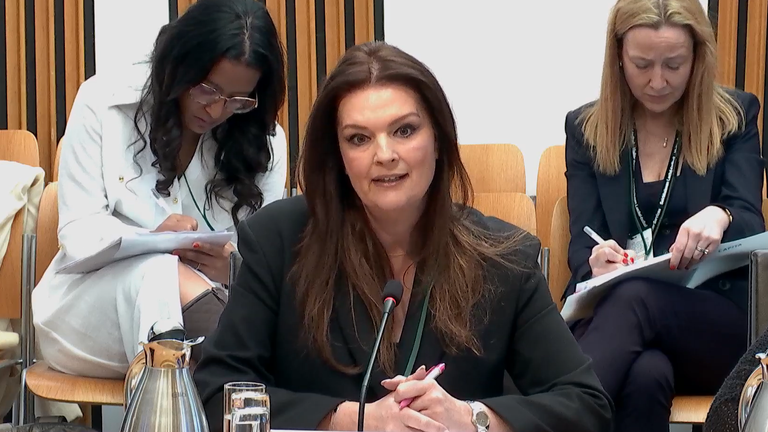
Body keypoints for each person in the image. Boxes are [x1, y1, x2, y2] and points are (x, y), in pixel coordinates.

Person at [193, 41, 613, 432]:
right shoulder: (278, 240)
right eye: (358, 138)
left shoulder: (503, 257)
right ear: (338, 156)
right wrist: (352, 420)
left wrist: (471, 419)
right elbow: (216, 393)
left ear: (438, 140)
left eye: (405, 131)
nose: (385, 155)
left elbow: (586, 405)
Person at [32, 0, 287, 378]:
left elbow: (266, 267)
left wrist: (233, 266)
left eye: (236, 100)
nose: (216, 111)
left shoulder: (264, 142)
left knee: (179, 300)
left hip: (207, 313)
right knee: (158, 273)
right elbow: (78, 234)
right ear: (180, 63)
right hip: (88, 314)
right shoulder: (105, 103)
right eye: (207, 90)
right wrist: (151, 240)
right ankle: (245, 371)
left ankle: (206, 381)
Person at [563, 0, 764, 431]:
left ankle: (548, 421)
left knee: (636, 298)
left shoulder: (734, 116)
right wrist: (594, 262)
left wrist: (721, 215)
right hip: (620, 330)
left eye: (674, 65)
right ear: (618, 57)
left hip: (713, 325)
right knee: (646, 374)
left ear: (697, 57)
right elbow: (581, 243)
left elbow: (751, 219)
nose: (658, 81)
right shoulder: (585, 129)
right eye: (642, 65)